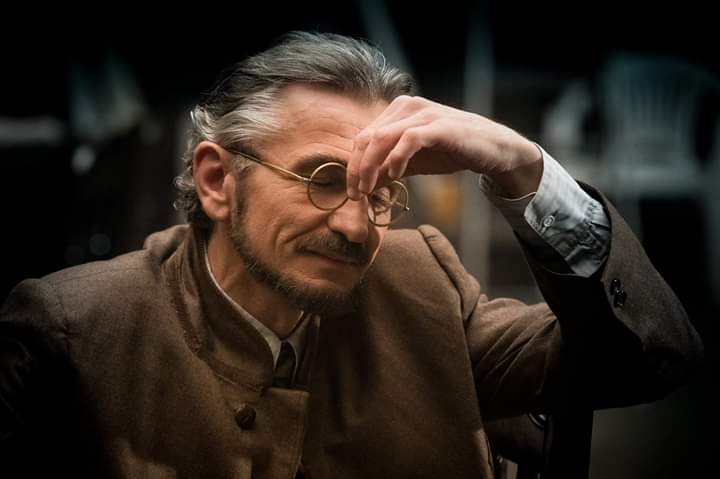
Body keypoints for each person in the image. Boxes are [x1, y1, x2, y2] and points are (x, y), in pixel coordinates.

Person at [0, 32, 703, 478]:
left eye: (380, 190)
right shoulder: (72, 329)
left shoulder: (422, 281)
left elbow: (651, 356)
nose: (356, 224)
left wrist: (522, 166)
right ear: (217, 181)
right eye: (324, 178)